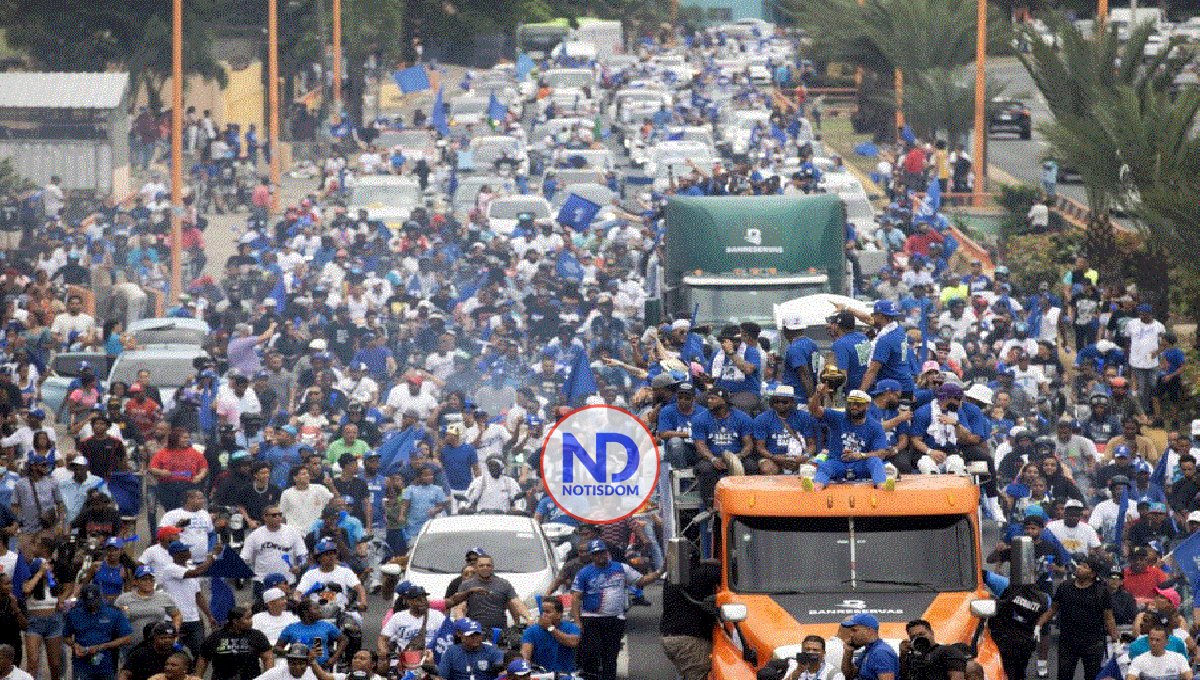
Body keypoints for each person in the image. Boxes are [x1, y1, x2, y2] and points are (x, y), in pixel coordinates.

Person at [570, 540, 661, 680]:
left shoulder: (621, 568)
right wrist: (577, 622)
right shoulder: (584, 573)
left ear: (607, 552)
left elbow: (641, 581)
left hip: (615, 619)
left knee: (611, 655)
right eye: (596, 554)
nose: (600, 556)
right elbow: (576, 597)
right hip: (591, 619)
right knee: (591, 654)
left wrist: (661, 571)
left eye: (602, 552)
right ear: (592, 556)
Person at [1035, 557, 1118, 680]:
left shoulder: (1101, 590)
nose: (1079, 567)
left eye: (1084, 567)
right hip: (1068, 642)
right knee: (1064, 676)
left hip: (1093, 643)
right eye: (1080, 565)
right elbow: (1052, 609)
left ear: (1092, 574)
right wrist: (1039, 624)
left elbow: (1109, 618)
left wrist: (1116, 641)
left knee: (1092, 677)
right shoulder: (1065, 586)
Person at [806, 385, 893, 491]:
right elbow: (814, 410)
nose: (854, 407)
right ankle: (816, 487)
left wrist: (861, 455)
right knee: (825, 466)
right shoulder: (837, 417)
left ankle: (882, 487)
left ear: (867, 405)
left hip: (861, 465)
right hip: (838, 463)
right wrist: (818, 394)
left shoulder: (875, 426)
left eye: (858, 404)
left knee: (875, 462)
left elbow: (882, 453)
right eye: (850, 403)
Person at [659, 560, 720, 680]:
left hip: (671, 636)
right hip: (689, 641)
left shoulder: (674, 575)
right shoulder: (704, 573)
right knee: (700, 674)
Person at [159, 541, 217, 657]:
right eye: (185, 550)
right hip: (174, 620)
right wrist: (214, 555)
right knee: (172, 654)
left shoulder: (191, 568)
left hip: (193, 620)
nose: (189, 552)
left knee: (200, 654)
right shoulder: (170, 569)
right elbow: (197, 572)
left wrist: (209, 615)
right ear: (176, 554)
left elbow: (198, 596)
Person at [63, 584, 133, 680]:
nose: (92, 605)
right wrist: (74, 645)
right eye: (88, 602)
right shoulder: (74, 613)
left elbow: (127, 638)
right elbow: (66, 636)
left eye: (94, 601)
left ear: (100, 598)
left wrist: (103, 646)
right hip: (82, 664)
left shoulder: (113, 612)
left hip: (107, 662)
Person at [448, 552, 531, 633]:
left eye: (488, 565)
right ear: (476, 568)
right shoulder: (466, 585)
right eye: (481, 566)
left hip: (500, 631)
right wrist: (461, 622)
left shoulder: (504, 584)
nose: (485, 568)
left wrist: (528, 618)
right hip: (476, 631)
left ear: (492, 567)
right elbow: (460, 607)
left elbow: (516, 602)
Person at [241, 505, 307, 601]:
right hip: (262, 582)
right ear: (265, 517)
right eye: (274, 515)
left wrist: (299, 566)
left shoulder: (292, 532)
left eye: (280, 515)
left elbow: (302, 554)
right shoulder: (255, 535)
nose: (278, 517)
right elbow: (245, 557)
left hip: (286, 582)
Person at [988, 577, 1049, 680]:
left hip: (1009, 641)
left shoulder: (1004, 585)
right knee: (1016, 672)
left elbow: (984, 574)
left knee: (1009, 671)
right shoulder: (1045, 598)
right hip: (1019, 642)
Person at [196, 606, 274, 680]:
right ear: (235, 621)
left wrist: (270, 677)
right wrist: (198, 676)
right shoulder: (216, 637)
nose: (251, 621)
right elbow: (203, 658)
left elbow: (267, 657)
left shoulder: (257, 636)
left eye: (250, 618)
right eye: (247, 618)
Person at [114, 566, 182, 647]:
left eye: (151, 579)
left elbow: (176, 615)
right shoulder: (124, 598)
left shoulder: (164, 597)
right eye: (144, 579)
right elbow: (114, 618)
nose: (148, 582)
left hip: (158, 646)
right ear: (136, 581)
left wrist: (173, 632)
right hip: (130, 645)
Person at [378, 585, 445, 655]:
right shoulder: (398, 617)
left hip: (431, 657)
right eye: (418, 599)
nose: (423, 601)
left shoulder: (437, 616)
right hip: (405, 657)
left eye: (424, 598)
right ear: (409, 601)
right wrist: (383, 652)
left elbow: (449, 634)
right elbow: (383, 639)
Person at [275, 601, 346, 668]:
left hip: (322, 667)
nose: (320, 610)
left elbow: (343, 640)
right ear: (306, 612)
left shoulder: (326, 626)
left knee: (318, 640)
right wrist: (292, 654)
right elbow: (277, 647)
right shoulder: (291, 628)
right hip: (298, 668)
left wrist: (334, 659)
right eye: (316, 608)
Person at [519, 597, 580, 675]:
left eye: (547, 612)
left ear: (559, 615)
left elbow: (573, 642)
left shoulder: (571, 627)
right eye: (542, 611)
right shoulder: (531, 631)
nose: (544, 614)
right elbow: (525, 657)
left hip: (566, 675)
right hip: (541, 675)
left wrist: (550, 628)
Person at [436, 619, 503, 680]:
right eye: (471, 635)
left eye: (477, 634)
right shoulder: (452, 651)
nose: (475, 638)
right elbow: (442, 676)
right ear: (462, 637)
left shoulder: (492, 650)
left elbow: (502, 673)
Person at [898, 619, 966, 680]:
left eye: (921, 634)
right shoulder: (910, 656)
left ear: (931, 633)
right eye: (913, 637)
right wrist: (903, 655)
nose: (918, 638)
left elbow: (957, 677)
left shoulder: (947, 651)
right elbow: (902, 676)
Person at [841, 614, 898, 680]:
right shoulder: (869, 650)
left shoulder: (881, 653)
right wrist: (848, 651)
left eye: (855, 630)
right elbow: (850, 674)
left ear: (869, 631)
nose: (851, 634)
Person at [1125, 626, 1191, 680]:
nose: (1153, 643)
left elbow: (1188, 676)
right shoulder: (1138, 660)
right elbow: (1131, 677)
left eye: (1158, 640)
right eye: (1151, 639)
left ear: (1166, 642)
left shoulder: (1179, 658)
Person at [252, 643, 334, 680]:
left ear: (307, 664)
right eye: (293, 663)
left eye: (301, 663)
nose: (297, 667)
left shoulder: (314, 673)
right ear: (288, 662)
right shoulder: (277, 672)